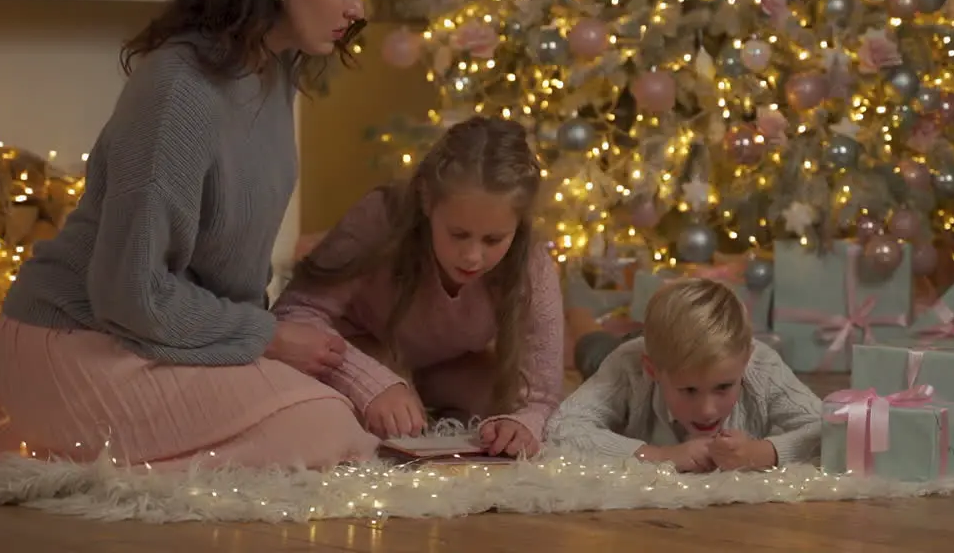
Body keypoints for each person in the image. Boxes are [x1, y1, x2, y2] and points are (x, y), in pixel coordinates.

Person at [0, 0, 383, 471]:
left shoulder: (275, 72)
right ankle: (92, 469)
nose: (357, 8)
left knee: (336, 416)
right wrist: (267, 340)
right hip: (80, 341)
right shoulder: (180, 90)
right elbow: (128, 290)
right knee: (322, 430)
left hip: (163, 338)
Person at [271, 116, 564, 458]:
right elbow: (294, 315)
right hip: (357, 346)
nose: (472, 257)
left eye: (493, 239)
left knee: (498, 408)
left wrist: (523, 423)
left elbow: (541, 395)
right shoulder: (381, 218)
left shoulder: (531, 262)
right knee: (329, 427)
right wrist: (370, 382)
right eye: (458, 234)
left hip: (446, 366)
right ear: (427, 199)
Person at [546, 277, 822, 473]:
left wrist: (761, 453)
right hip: (618, 351)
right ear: (652, 370)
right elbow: (561, 429)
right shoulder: (628, 365)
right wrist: (658, 456)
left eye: (723, 387)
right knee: (592, 348)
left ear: (745, 362)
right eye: (689, 390)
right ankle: (579, 310)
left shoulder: (761, 365)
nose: (707, 410)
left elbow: (830, 428)